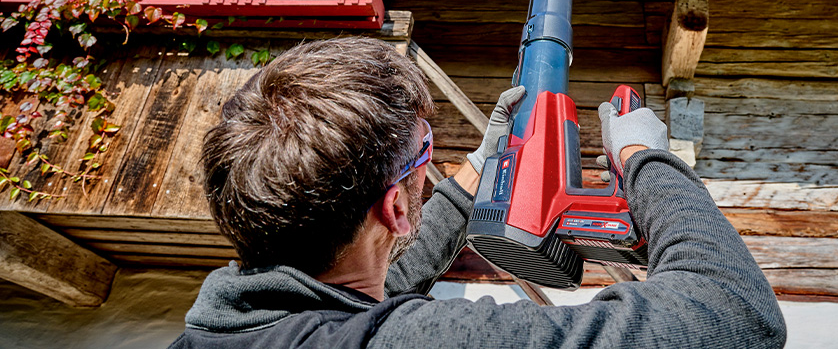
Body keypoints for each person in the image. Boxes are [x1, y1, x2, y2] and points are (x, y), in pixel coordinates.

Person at [170, 37, 786, 348]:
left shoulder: (221, 328)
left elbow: (377, 288)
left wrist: (479, 169)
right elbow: (734, 314)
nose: (431, 163)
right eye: (424, 153)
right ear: (392, 208)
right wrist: (641, 156)